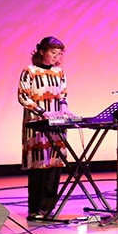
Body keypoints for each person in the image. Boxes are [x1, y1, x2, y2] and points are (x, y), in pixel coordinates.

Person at [17, 36, 76, 221]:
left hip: (56, 125)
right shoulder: (30, 71)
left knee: (55, 165)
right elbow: (23, 97)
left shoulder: (59, 72)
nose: (56, 56)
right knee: (39, 166)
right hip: (37, 125)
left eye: (59, 53)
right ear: (42, 51)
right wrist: (42, 111)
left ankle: (48, 208)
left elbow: (63, 95)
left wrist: (65, 108)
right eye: (53, 52)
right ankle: (35, 210)